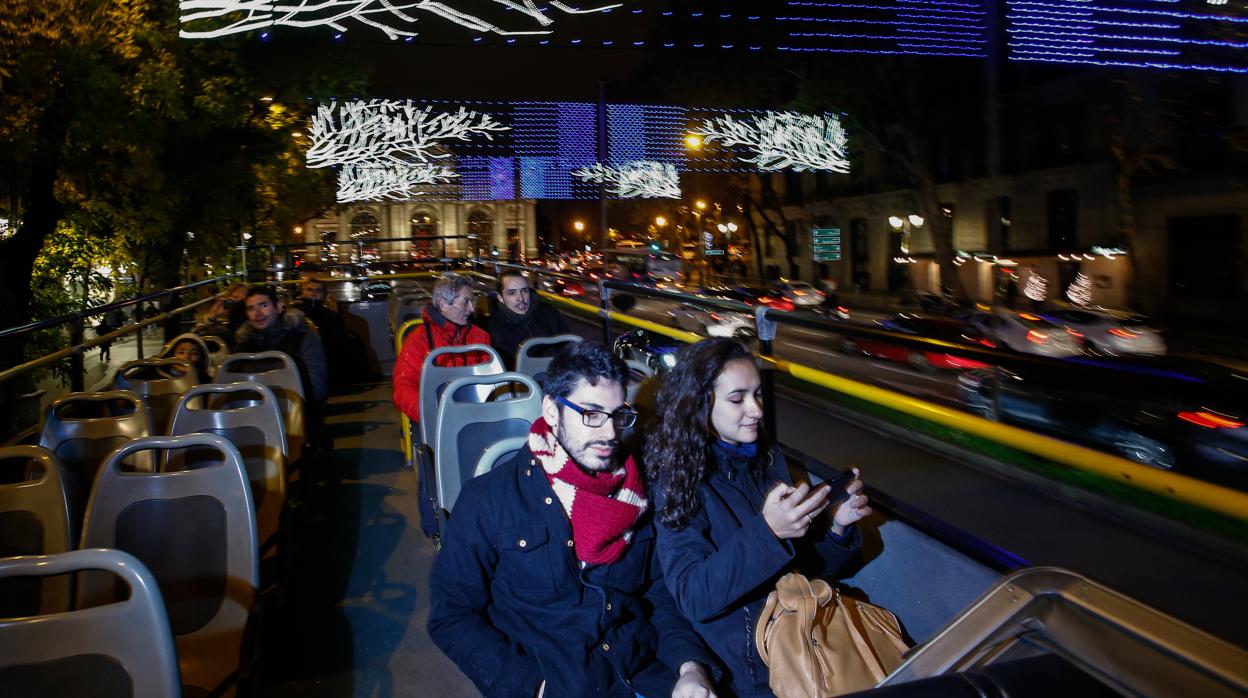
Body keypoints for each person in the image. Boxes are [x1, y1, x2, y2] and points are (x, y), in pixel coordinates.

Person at [428, 342, 721, 698]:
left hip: (641, 674)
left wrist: (690, 668)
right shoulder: (489, 499)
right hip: (556, 683)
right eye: (591, 414)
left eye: (617, 415)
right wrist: (530, 686)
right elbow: (452, 615)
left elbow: (657, 596)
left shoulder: (637, 493)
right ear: (552, 411)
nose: (610, 433)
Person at [644, 338, 872, 698]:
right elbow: (693, 595)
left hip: (805, 627)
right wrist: (768, 533)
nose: (756, 410)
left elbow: (803, 569)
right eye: (737, 399)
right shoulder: (678, 478)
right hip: (753, 659)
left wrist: (836, 527)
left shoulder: (765, 456)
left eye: (758, 395)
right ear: (701, 405)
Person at [391, 273, 491, 427]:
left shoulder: (481, 336)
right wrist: (432, 415)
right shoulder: (418, 340)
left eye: (472, 302)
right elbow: (404, 388)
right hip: (436, 420)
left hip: (476, 416)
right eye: (466, 302)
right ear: (444, 304)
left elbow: (491, 381)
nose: (471, 309)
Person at [234, 286, 328, 405]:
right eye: (251, 309)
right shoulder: (243, 347)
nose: (257, 313)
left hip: (295, 414)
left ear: (278, 307)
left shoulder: (304, 339)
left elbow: (317, 390)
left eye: (263, 305)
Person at [487, 269, 570, 369]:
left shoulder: (549, 313)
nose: (521, 298)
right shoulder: (493, 328)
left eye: (524, 291)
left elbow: (569, 346)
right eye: (512, 293)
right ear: (500, 298)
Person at [295, 277, 350, 384]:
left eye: (318, 290)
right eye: (309, 290)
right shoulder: (295, 313)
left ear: (324, 294)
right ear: (303, 292)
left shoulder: (333, 317)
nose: (313, 293)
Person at [194, 282, 249, 349]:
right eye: (234, 297)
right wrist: (214, 312)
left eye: (242, 297)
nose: (236, 300)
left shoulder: (251, 318)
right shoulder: (232, 316)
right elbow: (200, 328)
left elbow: (241, 337)